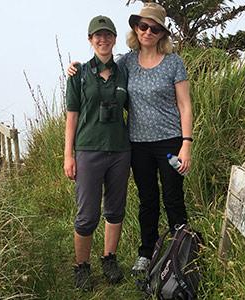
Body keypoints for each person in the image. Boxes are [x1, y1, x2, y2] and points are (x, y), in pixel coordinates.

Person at [68, 3, 193, 275]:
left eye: (155, 28)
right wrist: (74, 67)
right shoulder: (126, 62)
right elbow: (102, 65)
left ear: (162, 33)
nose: (148, 31)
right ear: (136, 28)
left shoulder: (174, 62)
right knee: (148, 199)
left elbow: (185, 105)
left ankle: (181, 254)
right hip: (137, 145)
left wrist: (187, 143)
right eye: (143, 26)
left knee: (173, 197)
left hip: (171, 143)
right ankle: (146, 254)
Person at [64, 15, 130, 290]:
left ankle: (109, 258)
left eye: (108, 35)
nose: (103, 40)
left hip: (119, 150)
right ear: (90, 40)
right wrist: (68, 155)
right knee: (87, 214)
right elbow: (72, 116)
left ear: (115, 39)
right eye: (97, 36)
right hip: (88, 150)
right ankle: (82, 266)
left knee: (115, 210)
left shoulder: (125, 71)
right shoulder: (78, 74)